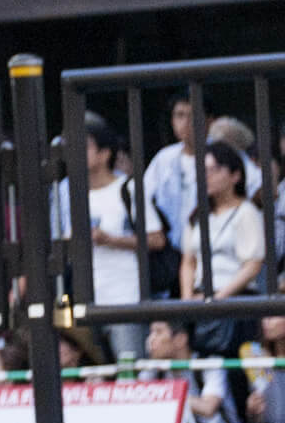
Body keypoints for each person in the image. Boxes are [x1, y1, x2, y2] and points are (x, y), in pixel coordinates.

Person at [76, 112, 164, 362]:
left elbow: (157, 239)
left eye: (85, 146)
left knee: (130, 369)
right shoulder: (71, 193)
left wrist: (111, 240)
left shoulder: (128, 188)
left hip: (125, 296)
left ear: (105, 154)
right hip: (86, 298)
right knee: (96, 373)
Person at [182, 139, 266, 359]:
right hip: (200, 301)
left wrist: (218, 298)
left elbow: (252, 265)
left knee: (236, 370)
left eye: (215, 169)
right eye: (203, 170)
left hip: (236, 303)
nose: (207, 176)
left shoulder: (246, 212)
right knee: (205, 367)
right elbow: (188, 261)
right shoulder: (198, 215)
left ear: (235, 175)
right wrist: (187, 298)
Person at [147, 319, 242, 423]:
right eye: (151, 333)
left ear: (180, 339)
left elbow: (208, 408)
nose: (150, 340)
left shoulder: (210, 364)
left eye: (158, 332)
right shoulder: (154, 369)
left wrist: (168, 398)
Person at [147, 97, 204, 255]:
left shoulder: (221, 153)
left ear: (209, 119)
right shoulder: (164, 157)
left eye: (193, 115)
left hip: (212, 247)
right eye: (179, 115)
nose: (186, 122)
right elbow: (141, 196)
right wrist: (155, 229)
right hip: (173, 248)